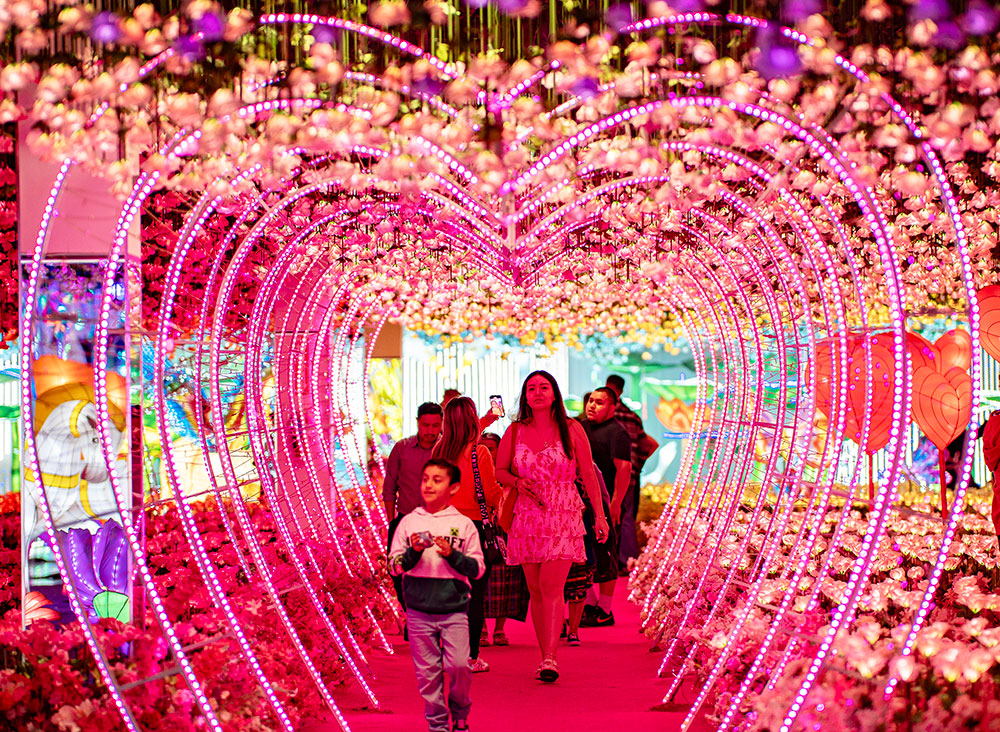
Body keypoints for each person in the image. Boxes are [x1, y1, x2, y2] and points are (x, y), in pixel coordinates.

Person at [495, 370, 609, 682]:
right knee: (535, 590)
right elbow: (500, 471)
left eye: (544, 387)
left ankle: (550, 658)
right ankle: (544, 652)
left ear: (554, 393)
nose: (537, 393)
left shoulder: (571, 428)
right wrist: (517, 481)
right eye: (531, 388)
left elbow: (587, 473)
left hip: (563, 512)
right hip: (528, 515)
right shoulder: (515, 431)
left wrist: (600, 516)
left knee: (551, 586)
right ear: (525, 396)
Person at [389, 458, 485, 732]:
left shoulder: (464, 524)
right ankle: (438, 725)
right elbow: (394, 566)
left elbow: (477, 569)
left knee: (458, 667)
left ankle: (460, 711)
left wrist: (451, 555)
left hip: (454, 610)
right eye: (426, 479)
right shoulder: (408, 522)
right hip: (418, 611)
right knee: (428, 675)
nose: (429, 485)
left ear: (454, 487)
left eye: (437, 480)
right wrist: (413, 552)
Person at [431, 397, 502, 673]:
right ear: (472, 419)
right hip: (472, 527)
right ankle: (469, 656)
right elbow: (489, 491)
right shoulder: (479, 453)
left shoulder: (439, 450)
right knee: (473, 594)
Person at [578, 387, 632, 629]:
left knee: (606, 555)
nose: (592, 405)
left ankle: (605, 610)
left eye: (599, 403)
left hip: (606, 504)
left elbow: (624, 469)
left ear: (612, 407)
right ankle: (589, 605)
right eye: (590, 400)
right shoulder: (580, 428)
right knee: (583, 554)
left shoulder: (617, 433)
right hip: (580, 503)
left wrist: (616, 503)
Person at [384, 402, 444, 616]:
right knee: (397, 569)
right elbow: (389, 487)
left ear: (442, 425)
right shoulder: (402, 448)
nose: (430, 431)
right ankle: (412, 611)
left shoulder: (446, 450)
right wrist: (391, 522)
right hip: (405, 520)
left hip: (436, 522)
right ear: (418, 423)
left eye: (435, 426)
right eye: (426, 425)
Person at [480, 432, 529, 647]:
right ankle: (481, 628)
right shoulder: (475, 469)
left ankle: (500, 629)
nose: (487, 453)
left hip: (506, 529)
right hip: (481, 528)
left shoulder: (508, 472)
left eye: (491, 448)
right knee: (481, 579)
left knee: (507, 580)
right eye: (484, 448)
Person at [605, 374, 659, 570]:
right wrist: (638, 464)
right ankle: (628, 562)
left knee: (606, 515)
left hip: (608, 475)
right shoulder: (633, 417)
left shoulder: (608, 415)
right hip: (630, 476)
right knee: (626, 517)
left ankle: (607, 562)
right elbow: (649, 444)